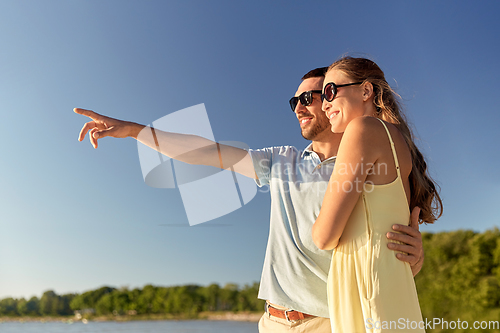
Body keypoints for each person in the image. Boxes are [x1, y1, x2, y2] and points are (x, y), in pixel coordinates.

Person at [74, 66, 425, 333]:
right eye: (294, 101)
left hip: (330, 323)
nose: (299, 108)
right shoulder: (281, 161)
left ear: (333, 100)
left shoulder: (372, 163)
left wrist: (414, 254)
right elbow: (205, 152)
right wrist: (135, 130)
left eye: (310, 97)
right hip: (271, 322)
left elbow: (394, 239)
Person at [312, 57, 442, 332]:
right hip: (387, 284)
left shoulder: (362, 129)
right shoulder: (397, 142)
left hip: (367, 287)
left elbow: (323, 236)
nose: (324, 104)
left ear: (366, 91)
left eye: (330, 91)